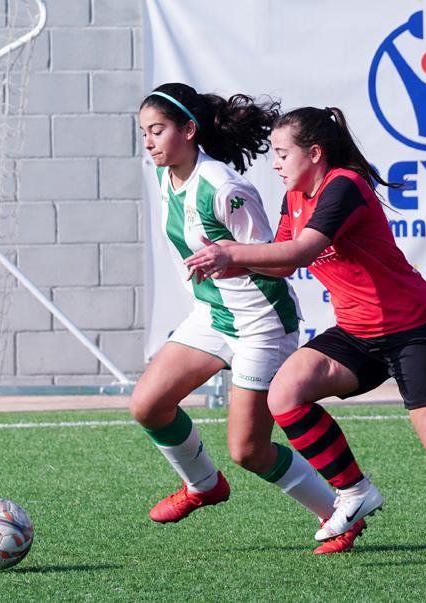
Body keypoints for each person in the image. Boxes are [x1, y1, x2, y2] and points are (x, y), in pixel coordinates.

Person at [184, 105, 426, 567]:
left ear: (314, 153)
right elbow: (283, 261)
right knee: (286, 393)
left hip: (413, 331)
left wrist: (231, 251)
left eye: (281, 153)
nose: (274, 163)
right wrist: (230, 262)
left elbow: (305, 248)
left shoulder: (344, 185)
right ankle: (355, 491)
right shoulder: (295, 195)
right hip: (357, 333)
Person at [134, 84, 366, 555]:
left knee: (249, 451)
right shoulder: (166, 176)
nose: (149, 142)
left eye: (157, 131)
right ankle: (203, 484)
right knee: (148, 405)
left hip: (260, 323)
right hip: (215, 316)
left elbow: (280, 263)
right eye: (144, 133)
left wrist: (230, 258)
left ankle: (338, 518)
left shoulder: (224, 188)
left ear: (189, 130)